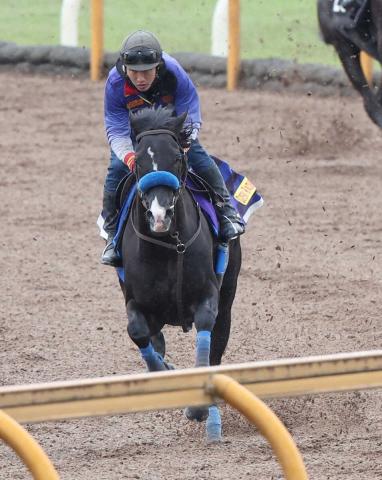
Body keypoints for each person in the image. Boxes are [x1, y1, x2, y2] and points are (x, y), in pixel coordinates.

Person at [100, 30, 244, 267]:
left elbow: (190, 110)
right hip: (137, 138)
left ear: (158, 66)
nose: (140, 78)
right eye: (134, 72)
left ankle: (227, 211)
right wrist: (128, 157)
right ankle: (112, 235)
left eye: (147, 70)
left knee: (200, 159)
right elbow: (116, 128)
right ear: (125, 69)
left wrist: (185, 143)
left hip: (173, 132)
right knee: (115, 171)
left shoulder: (175, 71)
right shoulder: (115, 83)